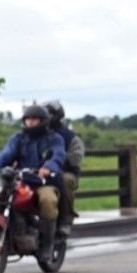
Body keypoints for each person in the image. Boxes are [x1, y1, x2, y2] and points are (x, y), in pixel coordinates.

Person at [0, 104, 65, 263]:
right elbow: (6, 155)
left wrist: (48, 167)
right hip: (20, 180)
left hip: (42, 181)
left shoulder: (54, 138)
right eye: (28, 119)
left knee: (48, 200)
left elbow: (57, 156)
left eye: (34, 119)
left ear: (43, 121)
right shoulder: (19, 138)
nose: (30, 123)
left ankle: (47, 243)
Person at [42, 99, 84, 238]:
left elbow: (75, 159)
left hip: (65, 171)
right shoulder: (36, 134)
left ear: (58, 116)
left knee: (65, 180)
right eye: (44, 114)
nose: (47, 118)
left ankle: (66, 219)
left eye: (51, 114)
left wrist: (55, 159)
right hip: (39, 172)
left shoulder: (70, 137)